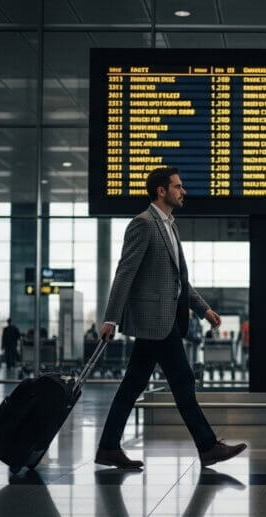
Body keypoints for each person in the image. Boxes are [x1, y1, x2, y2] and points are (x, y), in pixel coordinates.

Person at [97, 167, 246, 470]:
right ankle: (207, 447)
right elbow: (124, 273)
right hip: (154, 321)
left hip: (163, 321)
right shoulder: (143, 224)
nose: (183, 191)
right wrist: (110, 318)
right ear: (161, 191)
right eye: (178, 186)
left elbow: (178, 280)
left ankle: (108, 448)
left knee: (132, 385)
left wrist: (203, 308)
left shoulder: (170, 226)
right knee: (182, 380)